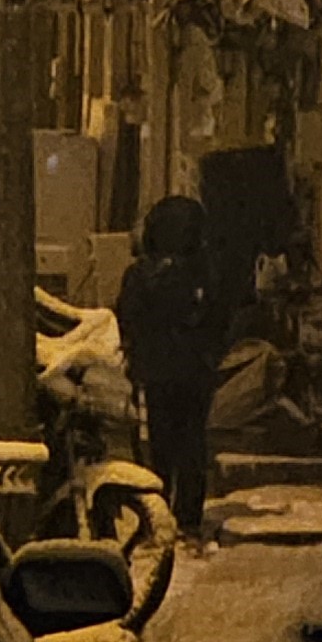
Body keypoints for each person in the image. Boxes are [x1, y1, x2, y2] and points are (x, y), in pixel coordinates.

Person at [117, 192, 226, 538]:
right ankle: (188, 513)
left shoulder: (141, 274)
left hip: (157, 368)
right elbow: (219, 318)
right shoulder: (204, 271)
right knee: (192, 439)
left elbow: (126, 316)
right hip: (196, 368)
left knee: (162, 440)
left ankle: (159, 507)